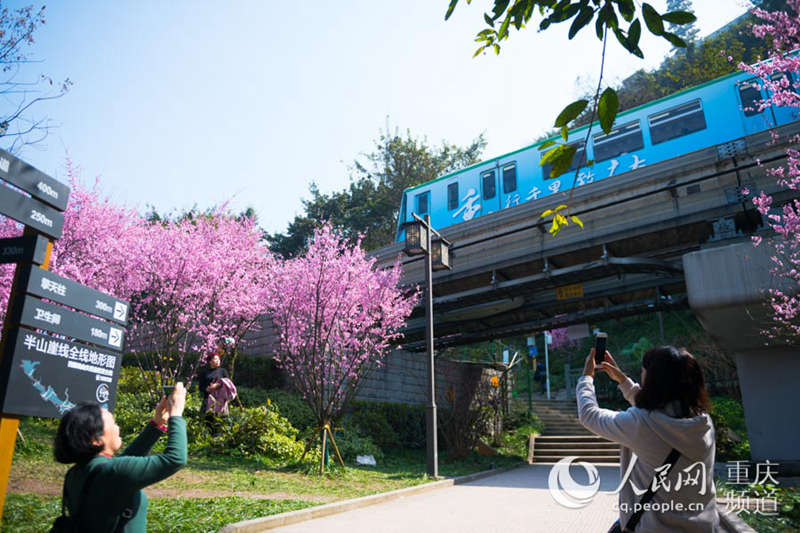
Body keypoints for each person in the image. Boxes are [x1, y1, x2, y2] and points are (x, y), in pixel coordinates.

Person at [577, 346, 719, 532]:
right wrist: (622, 380)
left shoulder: (640, 424)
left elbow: (589, 415)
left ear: (653, 381)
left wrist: (586, 378)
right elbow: (658, 413)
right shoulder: (703, 422)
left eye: (645, 373)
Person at [54, 383, 187, 532]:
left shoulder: (77, 472)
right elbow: (175, 459)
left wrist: (156, 424)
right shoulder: (113, 472)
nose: (118, 428)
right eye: (114, 423)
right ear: (95, 439)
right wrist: (176, 414)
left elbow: (121, 465)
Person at [197, 348, 230, 415]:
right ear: (210, 361)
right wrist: (207, 389)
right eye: (215, 359)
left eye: (219, 359)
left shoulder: (223, 371)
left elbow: (228, 384)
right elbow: (201, 387)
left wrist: (217, 385)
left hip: (221, 400)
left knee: (220, 420)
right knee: (207, 419)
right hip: (208, 398)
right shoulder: (205, 372)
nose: (218, 361)